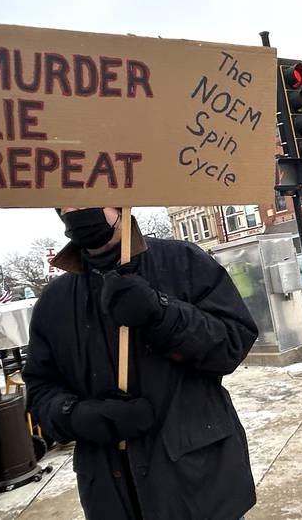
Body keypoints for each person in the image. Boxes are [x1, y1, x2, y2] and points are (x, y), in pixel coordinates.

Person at [23, 207, 258, 520]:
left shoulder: (182, 261)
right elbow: (40, 388)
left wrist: (162, 314)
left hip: (200, 486)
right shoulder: (54, 301)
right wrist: (76, 416)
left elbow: (233, 343)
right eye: (67, 201)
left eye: (91, 195)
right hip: (112, 496)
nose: (78, 208)